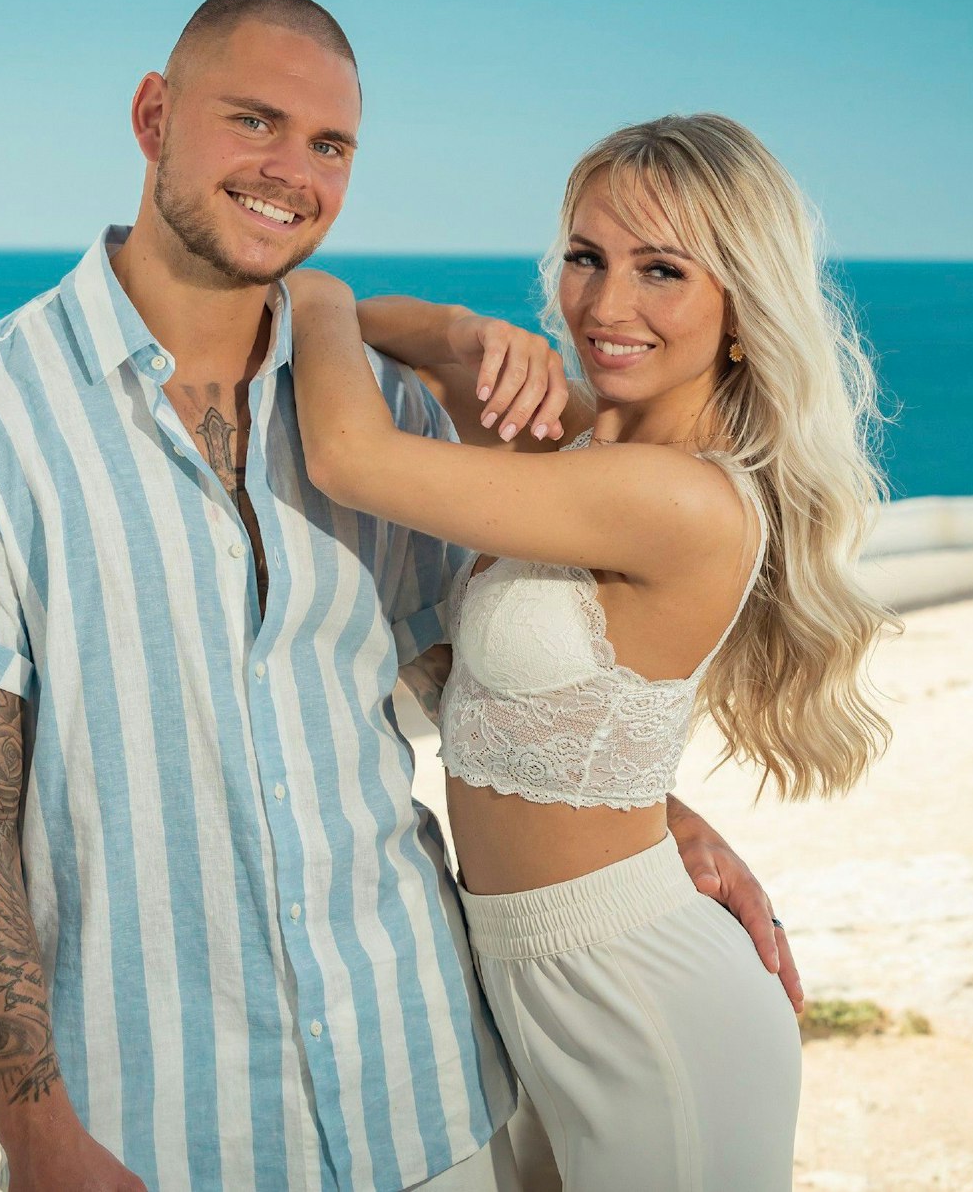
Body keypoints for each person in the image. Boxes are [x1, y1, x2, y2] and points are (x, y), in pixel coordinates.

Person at [0, 0, 799, 1192]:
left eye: (328, 144)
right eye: (252, 120)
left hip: (430, 1090)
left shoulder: (374, 408)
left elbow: (460, 664)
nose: (291, 171)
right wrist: (35, 1133)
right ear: (152, 116)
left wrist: (659, 822)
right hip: (171, 1128)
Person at [287, 114, 897, 1189]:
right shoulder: (583, 444)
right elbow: (410, 343)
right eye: (585, 257)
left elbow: (346, 454)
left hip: (641, 1001)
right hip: (517, 983)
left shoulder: (677, 497)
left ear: (742, 307)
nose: (605, 305)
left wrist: (307, 291)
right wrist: (472, 332)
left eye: (661, 269)